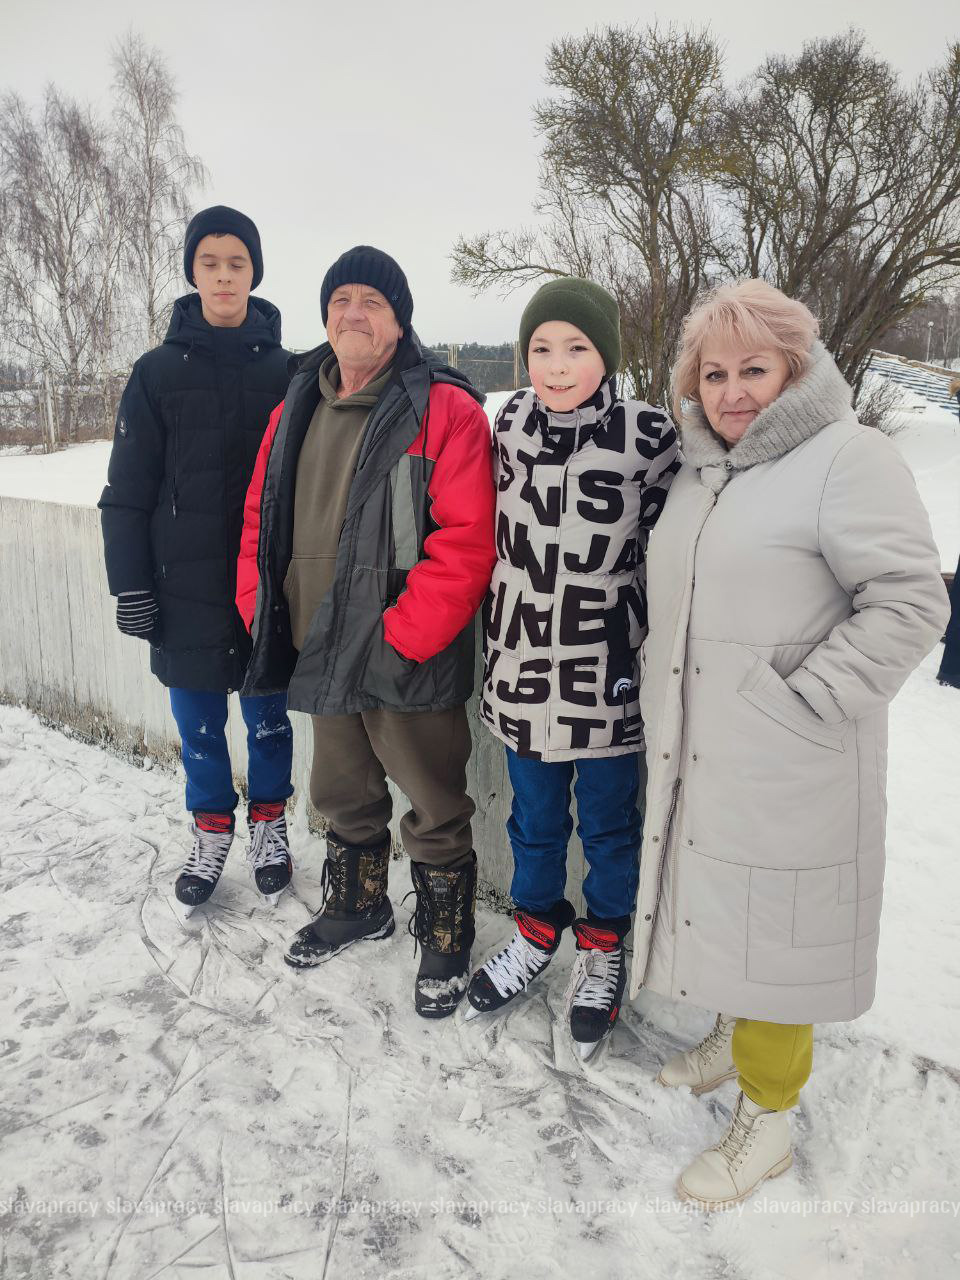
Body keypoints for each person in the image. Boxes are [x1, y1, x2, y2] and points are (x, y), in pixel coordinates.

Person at [631, 279, 949, 1209]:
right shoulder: (702, 471)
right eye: (714, 374)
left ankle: (767, 1120)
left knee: (778, 926)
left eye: (754, 370)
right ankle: (735, 1036)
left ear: (795, 370)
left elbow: (912, 601)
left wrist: (805, 701)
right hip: (706, 743)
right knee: (733, 905)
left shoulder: (849, 457)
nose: (732, 392)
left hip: (791, 753)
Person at [236, 246, 496, 1018]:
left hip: (403, 645)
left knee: (433, 794)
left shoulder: (444, 409)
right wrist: (260, 605)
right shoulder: (295, 406)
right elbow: (258, 517)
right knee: (340, 787)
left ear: (400, 322)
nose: (354, 313)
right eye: (340, 300)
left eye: (372, 302)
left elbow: (465, 541)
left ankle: (446, 932)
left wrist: (405, 636)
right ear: (325, 315)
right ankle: (358, 904)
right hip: (316, 637)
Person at [465, 278, 680, 1058]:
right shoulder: (508, 423)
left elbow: (681, 545)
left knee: (611, 825)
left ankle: (602, 947)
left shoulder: (649, 437)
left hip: (606, 680)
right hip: (522, 671)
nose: (557, 367)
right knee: (534, 822)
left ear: (607, 355)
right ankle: (534, 931)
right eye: (541, 349)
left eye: (577, 348)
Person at [99, 206, 295, 916]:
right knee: (201, 732)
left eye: (237, 263)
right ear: (192, 272)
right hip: (180, 589)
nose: (223, 276)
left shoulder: (289, 371)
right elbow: (127, 491)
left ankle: (269, 828)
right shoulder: (155, 373)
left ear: (254, 273)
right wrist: (130, 584)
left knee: (269, 724)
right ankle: (211, 832)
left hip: (264, 588)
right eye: (209, 263)